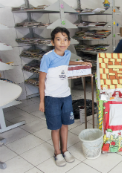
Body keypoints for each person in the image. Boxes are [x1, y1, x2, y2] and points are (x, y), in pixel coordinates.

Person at [39, 27, 91, 167]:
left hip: (66, 96)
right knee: (55, 127)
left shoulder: (67, 54)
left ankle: (65, 150)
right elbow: (42, 80)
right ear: (52, 41)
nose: (62, 42)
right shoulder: (47, 57)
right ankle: (57, 153)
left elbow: (66, 64)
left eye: (65, 39)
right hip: (52, 98)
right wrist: (42, 101)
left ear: (69, 42)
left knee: (65, 125)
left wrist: (81, 63)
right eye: (58, 39)